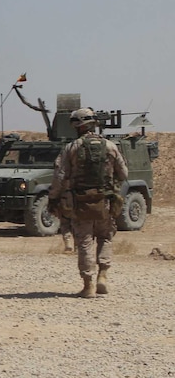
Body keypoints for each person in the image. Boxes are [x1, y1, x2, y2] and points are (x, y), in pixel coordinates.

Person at [50, 108, 128, 298]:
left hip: (80, 203)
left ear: (75, 126)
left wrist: (53, 198)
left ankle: (88, 285)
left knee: (84, 242)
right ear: (93, 124)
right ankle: (103, 275)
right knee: (105, 237)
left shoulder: (71, 148)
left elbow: (60, 176)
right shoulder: (110, 146)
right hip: (106, 202)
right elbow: (124, 173)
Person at [50, 152, 74, 253]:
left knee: (65, 222)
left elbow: (58, 179)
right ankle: (79, 246)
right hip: (82, 195)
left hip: (66, 195)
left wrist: (53, 197)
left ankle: (68, 244)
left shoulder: (63, 158)